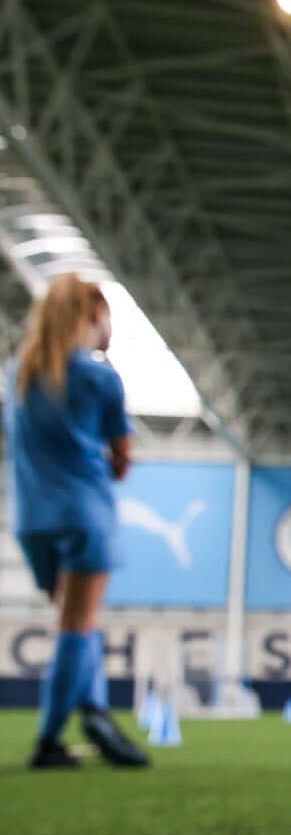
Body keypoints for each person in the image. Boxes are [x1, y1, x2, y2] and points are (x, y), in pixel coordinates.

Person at [5, 274, 148, 770]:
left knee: (73, 623)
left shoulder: (17, 375)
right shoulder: (98, 375)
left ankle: (96, 711)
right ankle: (49, 740)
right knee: (79, 624)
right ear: (93, 315)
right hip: (85, 513)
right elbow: (122, 458)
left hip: (32, 518)